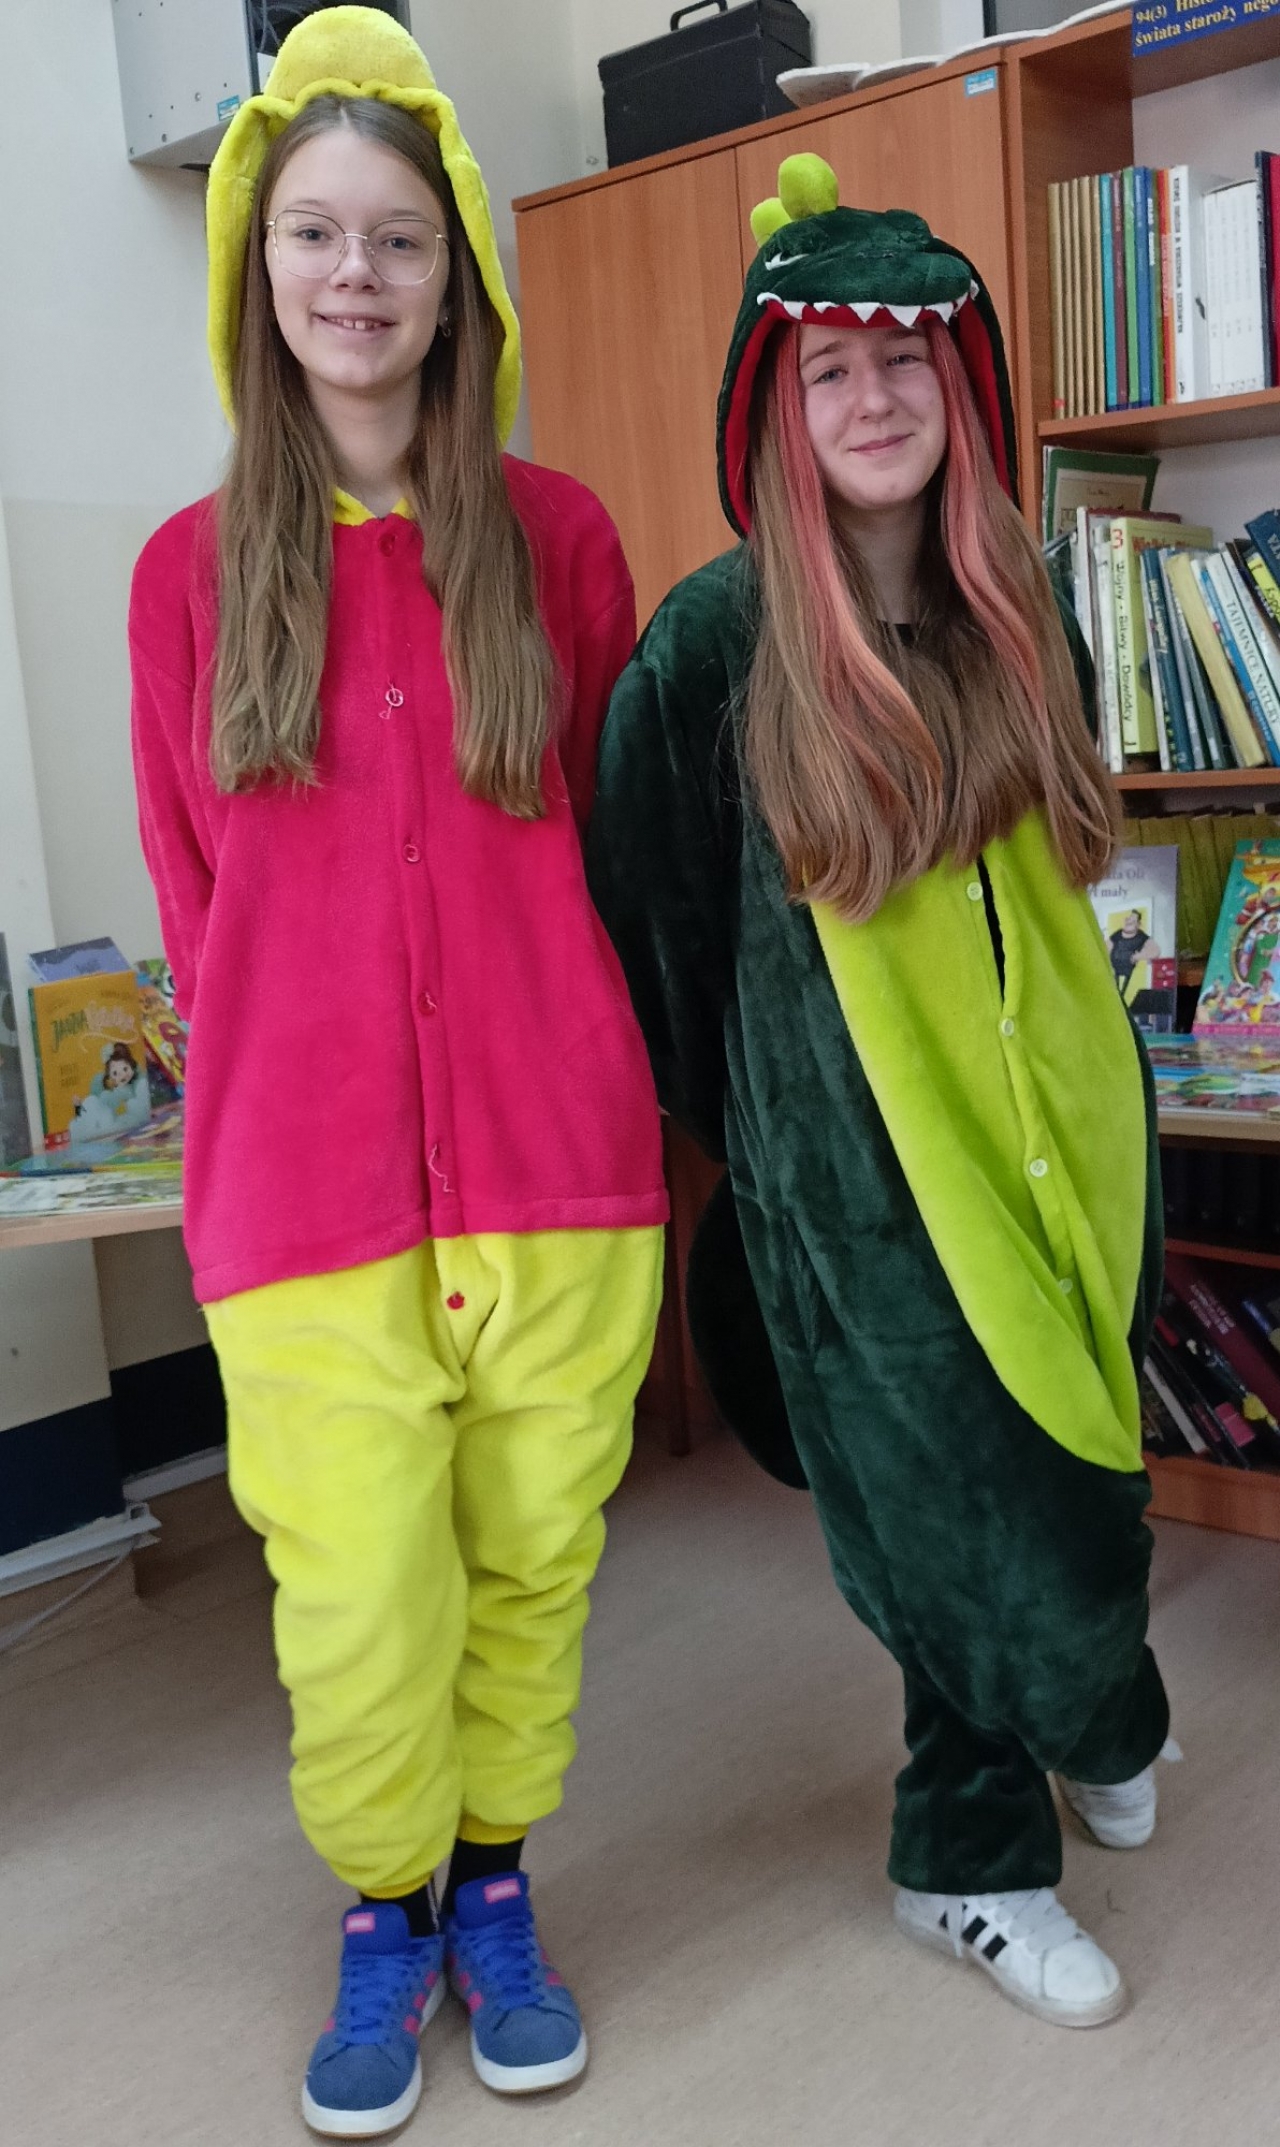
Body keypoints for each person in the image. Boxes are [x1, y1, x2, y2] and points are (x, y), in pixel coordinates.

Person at [128, 11, 665, 2135]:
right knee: (357, 1601)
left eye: (400, 239)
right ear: (256, 268)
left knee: (529, 1570)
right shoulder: (186, 579)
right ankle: (387, 1907)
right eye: (315, 234)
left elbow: (613, 850)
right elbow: (197, 904)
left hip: (557, 1169)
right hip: (305, 1194)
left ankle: (495, 1884)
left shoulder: (565, 541)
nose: (356, 276)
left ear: (459, 279)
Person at [587, 155, 1174, 2030]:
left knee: (1085, 1473)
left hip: (1063, 1138)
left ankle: (1090, 1714)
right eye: (826, 370)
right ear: (774, 407)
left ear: (962, 385)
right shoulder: (713, 646)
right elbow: (656, 932)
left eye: (903, 362)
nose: (871, 400)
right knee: (957, 1529)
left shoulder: (1022, 610)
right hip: (864, 1198)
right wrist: (782, 1164)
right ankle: (967, 1858)